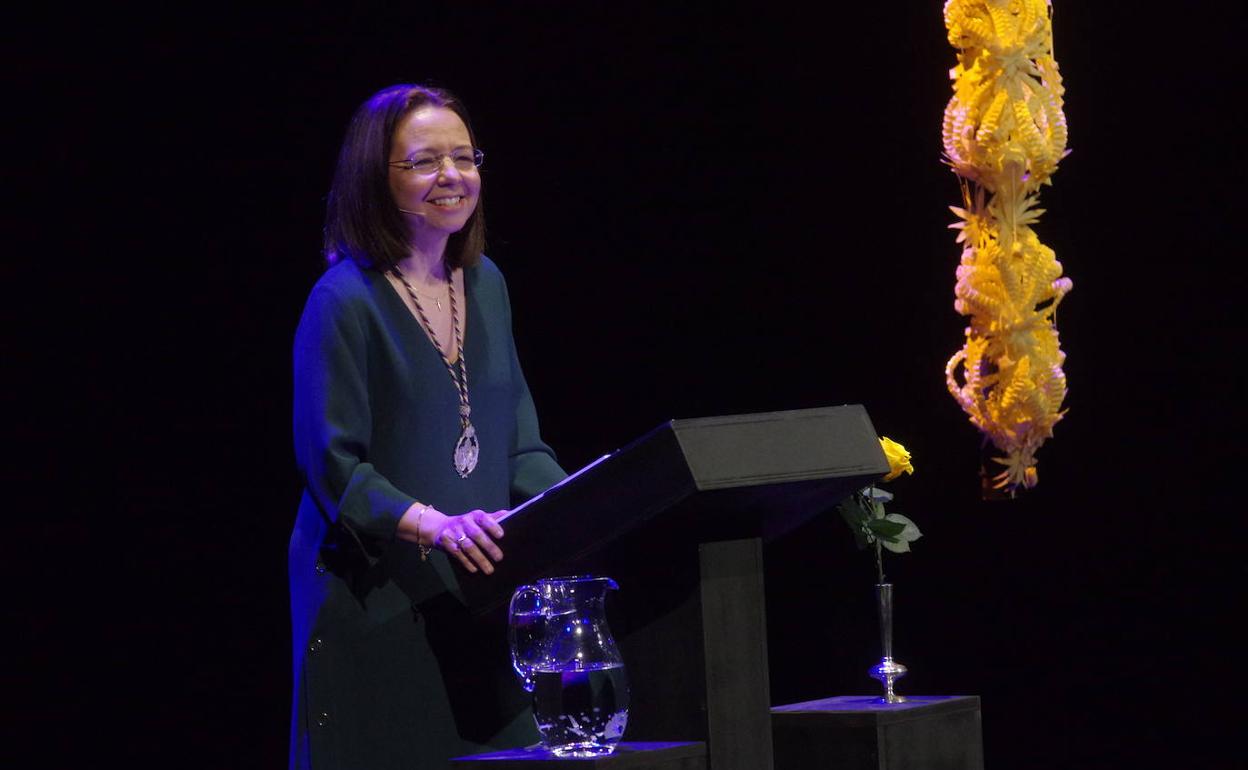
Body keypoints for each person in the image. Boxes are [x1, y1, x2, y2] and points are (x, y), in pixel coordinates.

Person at [288, 84, 567, 770]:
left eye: (464, 157)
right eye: (423, 161)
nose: (452, 176)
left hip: (475, 596)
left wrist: (593, 505)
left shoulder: (486, 282)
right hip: (374, 597)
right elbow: (336, 469)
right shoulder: (344, 301)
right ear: (375, 180)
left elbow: (519, 446)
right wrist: (436, 525)